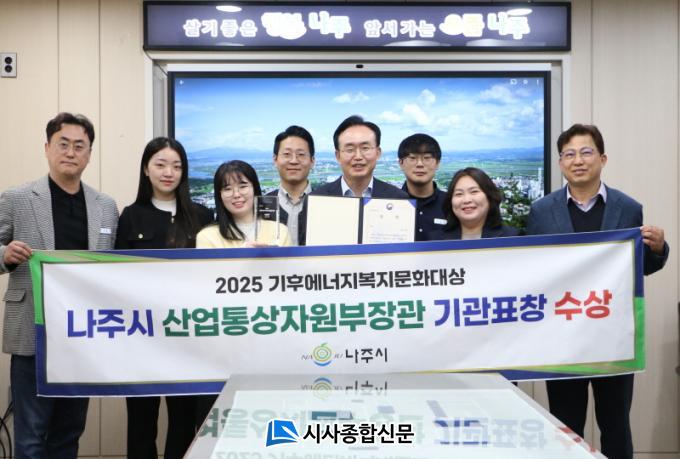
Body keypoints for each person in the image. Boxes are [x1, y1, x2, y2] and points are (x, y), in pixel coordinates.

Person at [526, 123, 668, 459]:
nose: (578, 160)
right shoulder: (541, 211)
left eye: (586, 152)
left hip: (613, 337)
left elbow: (640, 266)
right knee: (566, 427)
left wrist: (659, 248)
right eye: (569, 154)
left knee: (616, 425)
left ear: (602, 159)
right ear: (560, 163)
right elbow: (531, 269)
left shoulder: (628, 207)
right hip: (563, 338)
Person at [0, 113, 119, 458]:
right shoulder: (17, 198)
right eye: (62, 144)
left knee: (69, 433)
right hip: (33, 333)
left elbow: (113, 270)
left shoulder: (105, 206)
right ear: (47, 148)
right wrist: (5, 255)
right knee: (30, 437)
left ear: (89, 154)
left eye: (79, 146)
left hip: (81, 336)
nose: (70, 152)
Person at [115, 137, 213, 459]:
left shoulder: (201, 216)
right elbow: (115, 278)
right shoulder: (131, 216)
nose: (169, 172)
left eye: (176, 166)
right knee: (141, 423)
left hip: (187, 337)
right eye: (160, 164)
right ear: (146, 169)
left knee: (184, 422)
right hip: (142, 337)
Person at [197, 160, 291, 248]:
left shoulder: (280, 231)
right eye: (228, 189)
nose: (236, 194)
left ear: (255, 189)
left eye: (243, 186)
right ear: (219, 195)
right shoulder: (207, 237)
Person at [312, 115, 408, 199]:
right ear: (338, 156)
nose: (358, 156)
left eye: (365, 148)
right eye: (350, 149)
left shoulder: (399, 198)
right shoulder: (316, 199)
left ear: (378, 153)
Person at [428, 167, 519, 240]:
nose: (466, 200)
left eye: (474, 191)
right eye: (459, 194)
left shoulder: (512, 237)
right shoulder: (435, 240)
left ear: (489, 196)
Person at [266, 126, 316, 245]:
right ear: (275, 160)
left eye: (301, 154)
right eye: (287, 154)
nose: (294, 161)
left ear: (312, 161)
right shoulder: (263, 204)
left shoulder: (324, 202)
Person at [397, 133, 448, 241]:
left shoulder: (451, 204)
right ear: (401, 163)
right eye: (412, 158)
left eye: (427, 158)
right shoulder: (389, 203)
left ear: (437, 163)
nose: (419, 164)